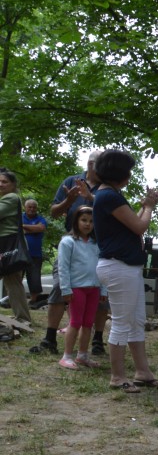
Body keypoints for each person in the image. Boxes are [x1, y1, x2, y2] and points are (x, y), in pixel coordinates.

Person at [92, 149, 158, 392]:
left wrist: (144, 206)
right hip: (118, 266)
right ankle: (117, 377)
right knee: (122, 323)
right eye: (128, 171)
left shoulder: (109, 194)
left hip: (125, 267)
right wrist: (149, 207)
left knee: (136, 320)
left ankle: (142, 372)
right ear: (119, 173)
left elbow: (133, 225)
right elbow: (140, 227)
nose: (130, 175)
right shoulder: (109, 196)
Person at [32, 150, 109, 356]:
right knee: (59, 286)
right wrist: (69, 200)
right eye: (98, 164)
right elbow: (54, 212)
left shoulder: (108, 187)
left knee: (100, 290)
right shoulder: (71, 182)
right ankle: (50, 338)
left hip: (98, 244)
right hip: (72, 241)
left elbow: (113, 216)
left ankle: (97, 340)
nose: (102, 169)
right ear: (90, 164)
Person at [56, 207, 106, 370]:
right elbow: (63, 267)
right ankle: (66, 356)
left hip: (94, 288)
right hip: (76, 288)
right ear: (76, 221)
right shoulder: (68, 242)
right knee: (75, 322)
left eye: (91, 221)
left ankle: (82, 355)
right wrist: (66, 289)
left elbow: (102, 267)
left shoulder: (96, 244)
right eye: (84, 220)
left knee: (88, 323)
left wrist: (103, 289)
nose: (87, 224)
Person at [0, 168, 31, 325]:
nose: (1, 184)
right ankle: (22, 317)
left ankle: (23, 318)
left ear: (13, 185)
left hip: (8, 245)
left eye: (4, 181)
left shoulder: (11, 197)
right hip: (5, 244)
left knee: (13, 282)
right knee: (12, 282)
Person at [22, 198, 48, 309]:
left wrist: (23, 227)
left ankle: (33, 301)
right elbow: (15, 229)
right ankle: (16, 300)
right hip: (20, 253)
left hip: (35, 254)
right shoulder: (20, 217)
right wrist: (33, 229)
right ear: (25, 207)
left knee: (35, 277)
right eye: (29, 207)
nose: (32, 209)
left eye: (34, 207)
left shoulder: (40, 218)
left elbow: (41, 228)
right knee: (16, 277)